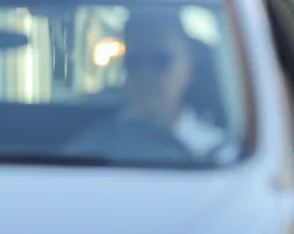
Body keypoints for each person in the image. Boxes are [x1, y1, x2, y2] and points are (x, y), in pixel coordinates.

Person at [66, 11, 230, 163]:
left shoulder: (221, 155)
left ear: (189, 68)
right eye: (134, 61)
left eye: (161, 61)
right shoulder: (88, 151)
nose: (146, 75)